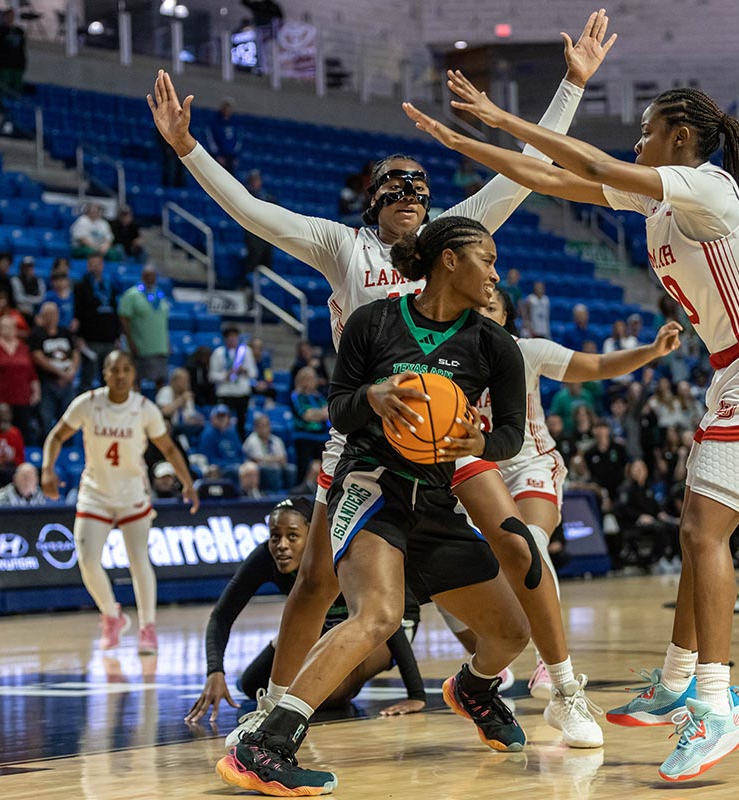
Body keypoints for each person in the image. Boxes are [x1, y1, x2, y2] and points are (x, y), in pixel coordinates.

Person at [149, 21, 606, 753]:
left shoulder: (452, 241)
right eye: (392, 186)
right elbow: (252, 214)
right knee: (319, 585)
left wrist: (573, 84)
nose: (409, 194)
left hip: (449, 438)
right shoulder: (343, 247)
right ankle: (271, 703)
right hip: (365, 437)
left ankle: (552, 684)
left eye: (418, 188)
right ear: (371, 203)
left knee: (521, 548)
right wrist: (187, 148)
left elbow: (521, 172)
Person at [404, 24, 739, 776]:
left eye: (646, 133)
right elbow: (555, 181)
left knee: (703, 532)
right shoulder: (663, 207)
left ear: (680, 137)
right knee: (695, 530)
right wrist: (465, 145)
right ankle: (674, 683)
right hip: (738, 370)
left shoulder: (706, 186)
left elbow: (591, 162)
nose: (636, 145)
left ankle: (718, 703)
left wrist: (500, 117)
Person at [217, 217, 534, 795]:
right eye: (485, 259)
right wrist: (372, 396)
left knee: (512, 633)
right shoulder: (375, 321)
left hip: (437, 498)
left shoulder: (496, 346)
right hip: (371, 484)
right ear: (450, 261)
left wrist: (480, 443)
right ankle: (263, 745)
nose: (495, 272)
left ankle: (473, 689)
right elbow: (338, 408)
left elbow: (513, 432)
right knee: (378, 616)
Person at [469, 286, 679, 696]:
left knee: (531, 543)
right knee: (454, 569)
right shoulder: (449, 358)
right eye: (475, 304)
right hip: (477, 470)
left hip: (532, 464)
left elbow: (598, 364)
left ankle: (550, 665)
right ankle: (486, 667)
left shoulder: (527, 350)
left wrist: (651, 351)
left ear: (506, 317)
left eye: (491, 306)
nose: (482, 310)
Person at [185, 497, 426, 725]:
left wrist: (416, 693)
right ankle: (341, 674)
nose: (282, 545)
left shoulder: (342, 553)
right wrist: (215, 671)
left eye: (292, 536)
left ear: (312, 537)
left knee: (319, 695)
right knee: (252, 684)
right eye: (274, 536)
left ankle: (349, 682)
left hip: (392, 622)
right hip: (331, 625)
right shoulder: (265, 557)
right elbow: (221, 615)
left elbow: (380, 618)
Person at [41, 350, 199, 655]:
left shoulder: (144, 408)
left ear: (133, 375)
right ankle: (111, 615)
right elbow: (56, 436)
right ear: (105, 373)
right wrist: (47, 469)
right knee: (87, 561)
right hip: (95, 492)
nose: (121, 375)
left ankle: (147, 627)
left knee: (139, 561)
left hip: (132, 494)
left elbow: (168, 447)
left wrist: (188, 482)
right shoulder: (88, 403)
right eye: (115, 369)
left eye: (126, 369)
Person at [0, 316, 39, 440]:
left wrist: (36, 390)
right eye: (4, 327)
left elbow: (31, 372)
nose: (7, 330)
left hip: (21, 397)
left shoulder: (23, 347)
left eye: (10, 327)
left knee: (22, 432)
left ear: (15, 329)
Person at [30, 301, 79, 435]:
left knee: (69, 420)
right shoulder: (37, 334)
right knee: (45, 420)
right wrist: (60, 373)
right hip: (47, 383)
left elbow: (75, 353)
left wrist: (72, 371)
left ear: (58, 315)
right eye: (47, 314)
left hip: (67, 384)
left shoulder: (65, 332)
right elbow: (38, 357)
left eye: (53, 314)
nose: (51, 317)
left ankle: (69, 451)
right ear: (41, 316)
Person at [117, 265, 170, 385]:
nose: (151, 278)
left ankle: (159, 403)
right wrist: (130, 341)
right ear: (142, 276)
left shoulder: (160, 295)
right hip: (140, 347)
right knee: (135, 379)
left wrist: (167, 341)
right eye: (147, 276)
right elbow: (124, 318)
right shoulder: (132, 295)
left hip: (160, 346)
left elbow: (163, 321)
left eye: (153, 276)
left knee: (160, 380)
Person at [73, 254, 119, 389]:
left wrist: (117, 335)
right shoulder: (81, 286)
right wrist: (79, 336)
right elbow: (78, 312)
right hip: (90, 340)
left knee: (108, 377)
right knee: (87, 378)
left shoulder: (109, 285)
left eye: (98, 264)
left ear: (102, 265)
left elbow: (115, 312)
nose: (95, 267)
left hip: (109, 339)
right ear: (88, 266)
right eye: (92, 264)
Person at [209, 326, 256, 434]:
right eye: (230, 338)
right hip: (225, 392)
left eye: (235, 337)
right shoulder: (218, 353)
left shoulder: (246, 352)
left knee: (241, 424)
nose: (232, 340)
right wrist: (226, 375)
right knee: (223, 423)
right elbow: (212, 376)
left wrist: (244, 371)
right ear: (225, 339)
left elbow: (254, 373)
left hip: (242, 392)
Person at [289, 365, 329, 481]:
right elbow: (307, 415)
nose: (315, 381)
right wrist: (321, 414)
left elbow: (329, 414)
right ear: (303, 380)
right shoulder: (297, 396)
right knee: (303, 468)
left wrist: (317, 414)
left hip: (322, 437)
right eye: (311, 378)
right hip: (304, 436)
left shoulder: (319, 397)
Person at [155, 366, 204, 441]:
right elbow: (164, 412)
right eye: (182, 380)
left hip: (184, 426)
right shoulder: (166, 391)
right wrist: (181, 400)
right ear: (173, 381)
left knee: (203, 426)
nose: (185, 383)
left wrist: (196, 419)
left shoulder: (187, 394)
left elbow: (189, 415)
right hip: (170, 426)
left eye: (186, 380)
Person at [242, 170, 275, 275]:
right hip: (252, 233)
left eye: (258, 180)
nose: (257, 182)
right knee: (254, 256)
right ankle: (249, 284)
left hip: (264, 233)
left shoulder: (266, 196)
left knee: (267, 256)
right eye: (254, 180)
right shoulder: (246, 194)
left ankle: (265, 285)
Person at [0, 8, 28, 97]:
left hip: (18, 65)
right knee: (3, 89)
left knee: (16, 90)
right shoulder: (0, 30)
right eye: (8, 16)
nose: (10, 19)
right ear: (5, 17)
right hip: (5, 64)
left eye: (12, 17)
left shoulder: (19, 31)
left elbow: (22, 47)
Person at [0, 402, 25, 479]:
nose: (3, 416)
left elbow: (20, 458)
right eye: (0, 413)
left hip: (11, 468)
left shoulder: (15, 433)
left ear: (11, 415)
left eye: (6, 413)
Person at [206, 98, 242, 173]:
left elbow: (238, 140)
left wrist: (235, 156)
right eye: (226, 108)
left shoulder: (235, 123)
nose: (228, 110)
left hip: (230, 156)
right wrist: (218, 155)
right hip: (219, 155)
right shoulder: (215, 123)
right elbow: (211, 140)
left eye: (229, 108)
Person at [43, 263, 77, 330]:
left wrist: (75, 321)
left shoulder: (72, 296)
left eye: (62, 279)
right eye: (56, 280)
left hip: (70, 330)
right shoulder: (48, 296)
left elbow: (75, 314)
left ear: (67, 281)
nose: (59, 282)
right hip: (56, 330)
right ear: (52, 282)